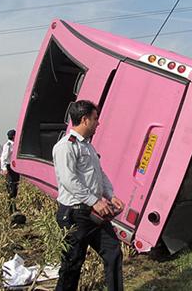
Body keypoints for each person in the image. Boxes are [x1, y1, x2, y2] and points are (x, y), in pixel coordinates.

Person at [53, 100, 124, 291]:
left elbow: (99, 173)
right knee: (72, 264)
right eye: (95, 118)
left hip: (94, 213)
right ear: (84, 120)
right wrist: (94, 201)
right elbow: (69, 180)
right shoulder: (66, 147)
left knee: (113, 252)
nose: (98, 123)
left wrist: (110, 195)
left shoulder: (88, 147)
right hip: (75, 215)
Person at [0, 129, 20, 213]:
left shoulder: (14, 144)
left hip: (14, 167)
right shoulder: (8, 145)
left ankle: (14, 207)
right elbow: (4, 158)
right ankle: (10, 209)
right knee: (11, 188)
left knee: (15, 188)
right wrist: (4, 168)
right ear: (14, 136)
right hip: (9, 168)